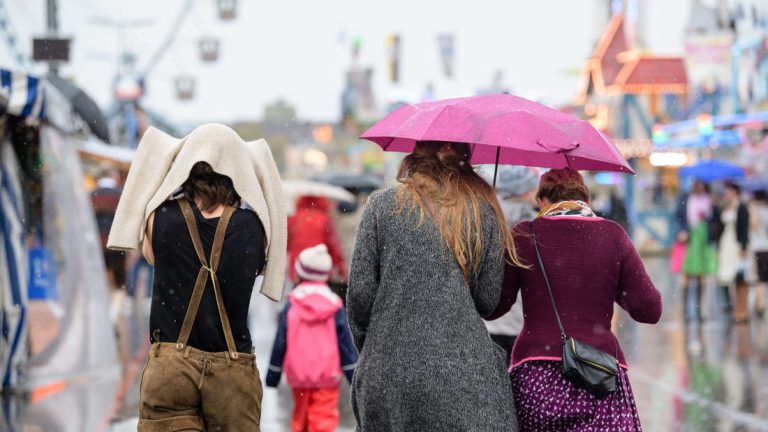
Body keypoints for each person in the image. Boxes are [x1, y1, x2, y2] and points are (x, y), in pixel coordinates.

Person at [108, 124, 287, 432]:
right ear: (238, 172)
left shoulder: (158, 218)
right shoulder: (256, 229)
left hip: (171, 367)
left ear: (184, 169)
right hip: (232, 372)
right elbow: (256, 269)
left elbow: (151, 256)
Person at [347, 141, 521, 431]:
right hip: (464, 374)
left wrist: (380, 348)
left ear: (415, 156)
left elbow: (360, 298)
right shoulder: (482, 210)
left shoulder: (382, 206)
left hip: (389, 373)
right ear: (466, 159)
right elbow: (488, 303)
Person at [490, 168, 661, 431]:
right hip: (599, 374)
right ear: (586, 200)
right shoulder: (613, 235)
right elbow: (649, 309)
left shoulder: (524, 234)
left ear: (542, 201)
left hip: (537, 375)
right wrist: (609, 282)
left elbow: (495, 306)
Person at [266, 244, 358, 432]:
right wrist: (353, 375)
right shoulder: (334, 306)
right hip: (327, 376)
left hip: (299, 375)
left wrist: (273, 374)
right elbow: (345, 345)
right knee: (323, 419)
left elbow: (281, 341)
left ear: (300, 273)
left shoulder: (292, 304)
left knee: (301, 419)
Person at [484, 165, 538, 366]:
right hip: (523, 324)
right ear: (524, 190)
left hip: (489, 321)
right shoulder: (534, 225)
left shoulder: (486, 220)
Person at [676, 180, 718, 320]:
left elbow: (714, 219)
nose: (700, 186)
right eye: (698, 184)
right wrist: (682, 230)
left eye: (702, 184)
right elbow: (679, 217)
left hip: (703, 238)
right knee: (687, 274)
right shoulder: (686, 198)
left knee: (701, 275)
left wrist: (713, 205)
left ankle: (698, 311)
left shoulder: (709, 200)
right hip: (689, 238)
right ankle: (685, 312)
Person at [288, 196, 348, 284]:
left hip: (298, 265)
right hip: (318, 265)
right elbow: (333, 245)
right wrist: (341, 267)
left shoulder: (295, 218)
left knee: (298, 294)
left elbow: (287, 241)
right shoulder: (324, 219)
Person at [716, 182, 750, 322]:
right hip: (725, 243)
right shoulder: (723, 207)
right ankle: (731, 306)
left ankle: (741, 310)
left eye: (729, 192)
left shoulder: (741, 207)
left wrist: (743, 247)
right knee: (725, 276)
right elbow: (718, 226)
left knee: (740, 277)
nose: (727, 194)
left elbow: (744, 228)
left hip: (736, 244)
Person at [750, 189, 768, 317]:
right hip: (765, 248)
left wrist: (752, 211)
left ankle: (760, 304)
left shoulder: (756, 212)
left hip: (758, 248)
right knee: (763, 277)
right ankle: (760, 303)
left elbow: (753, 226)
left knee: (760, 278)